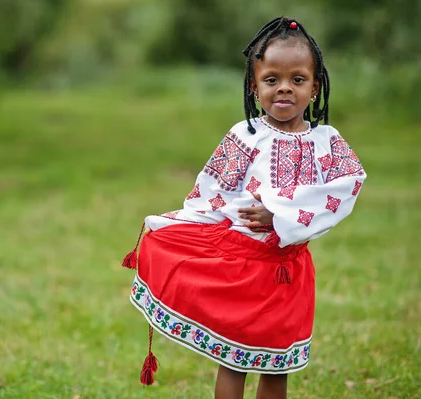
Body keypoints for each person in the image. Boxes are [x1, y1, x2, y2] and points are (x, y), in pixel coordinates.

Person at [122, 17, 367, 399]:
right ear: (255, 86)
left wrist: (280, 213)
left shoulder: (327, 142)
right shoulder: (245, 135)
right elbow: (212, 194)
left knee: (277, 366)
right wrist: (171, 224)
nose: (284, 88)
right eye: (272, 79)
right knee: (234, 361)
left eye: (297, 79)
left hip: (290, 272)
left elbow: (347, 186)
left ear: (315, 87)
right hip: (242, 266)